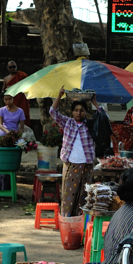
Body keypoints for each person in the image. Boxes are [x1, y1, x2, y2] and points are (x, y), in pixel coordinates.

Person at [50, 87, 96, 216]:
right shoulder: (67, 123)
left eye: (82, 110)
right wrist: (59, 96)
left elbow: (104, 118)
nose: (79, 113)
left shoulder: (90, 124)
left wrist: (95, 103)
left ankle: (81, 220)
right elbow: (53, 112)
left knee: (85, 194)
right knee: (68, 194)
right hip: (71, 163)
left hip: (87, 163)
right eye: (76, 110)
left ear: (86, 112)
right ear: (72, 112)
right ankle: (66, 219)